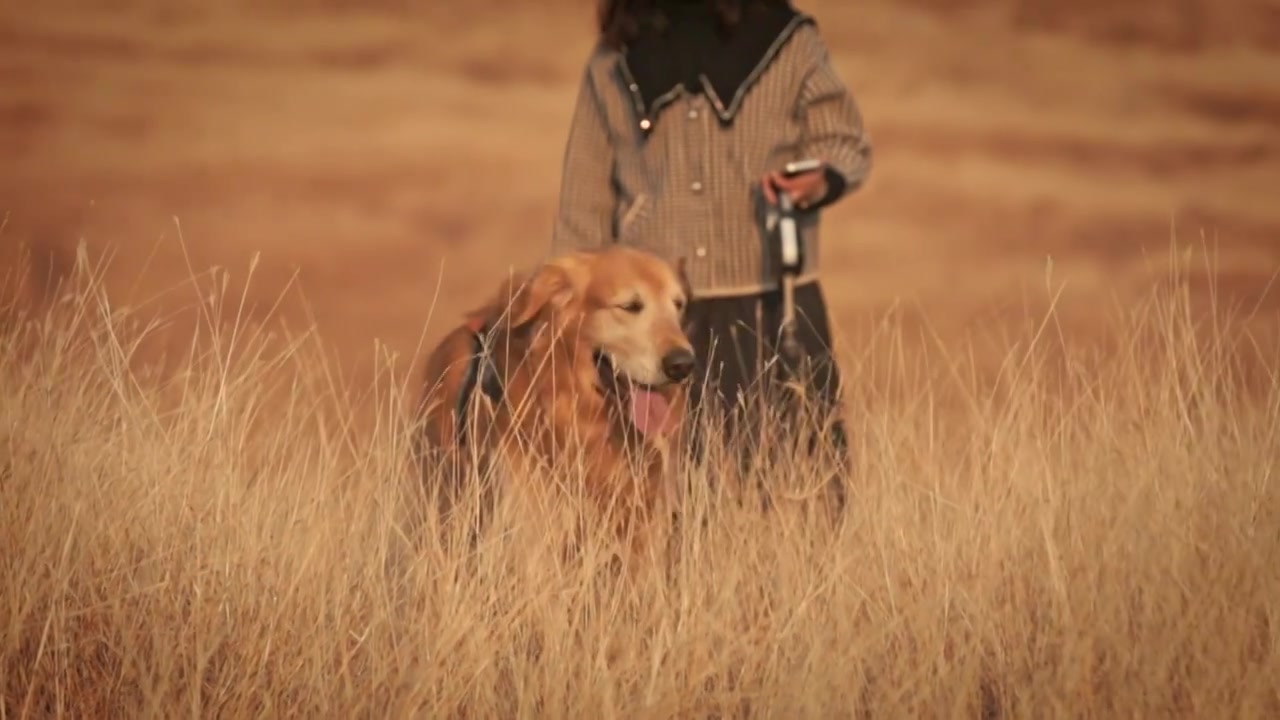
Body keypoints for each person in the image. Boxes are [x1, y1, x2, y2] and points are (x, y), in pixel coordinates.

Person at [548, 0, 873, 512]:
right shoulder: (615, 57)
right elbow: (582, 206)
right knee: (659, 506)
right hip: (653, 325)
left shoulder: (788, 40)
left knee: (801, 500)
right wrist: (567, 333)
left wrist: (819, 178)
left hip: (774, 307)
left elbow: (845, 141)